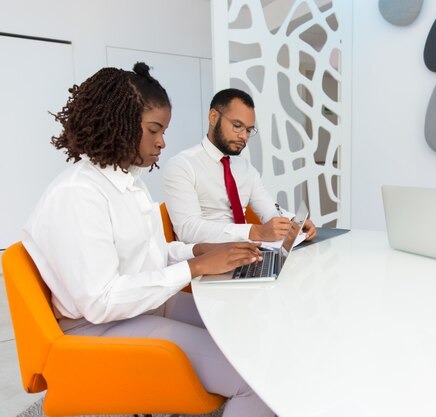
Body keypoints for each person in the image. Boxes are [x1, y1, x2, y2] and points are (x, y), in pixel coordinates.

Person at [22, 63, 275, 417]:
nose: (162, 142)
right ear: (119, 122)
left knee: (245, 330)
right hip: (100, 326)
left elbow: (147, 253)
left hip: (141, 307)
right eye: (154, 130)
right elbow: (101, 300)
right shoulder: (78, 194)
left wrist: (199, 250)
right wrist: (195, 266)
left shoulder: (128, 182)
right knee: (255, 379)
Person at [163, 88, 316, 244]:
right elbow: (188, 230)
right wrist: (255, 231)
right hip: (208, 260)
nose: (244, 136)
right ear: (213, 117)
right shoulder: (182, 165)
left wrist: (294, 223)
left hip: (248, 254)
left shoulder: (245, 168)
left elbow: (269, 210)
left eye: (249, 130)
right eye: (237, 126)